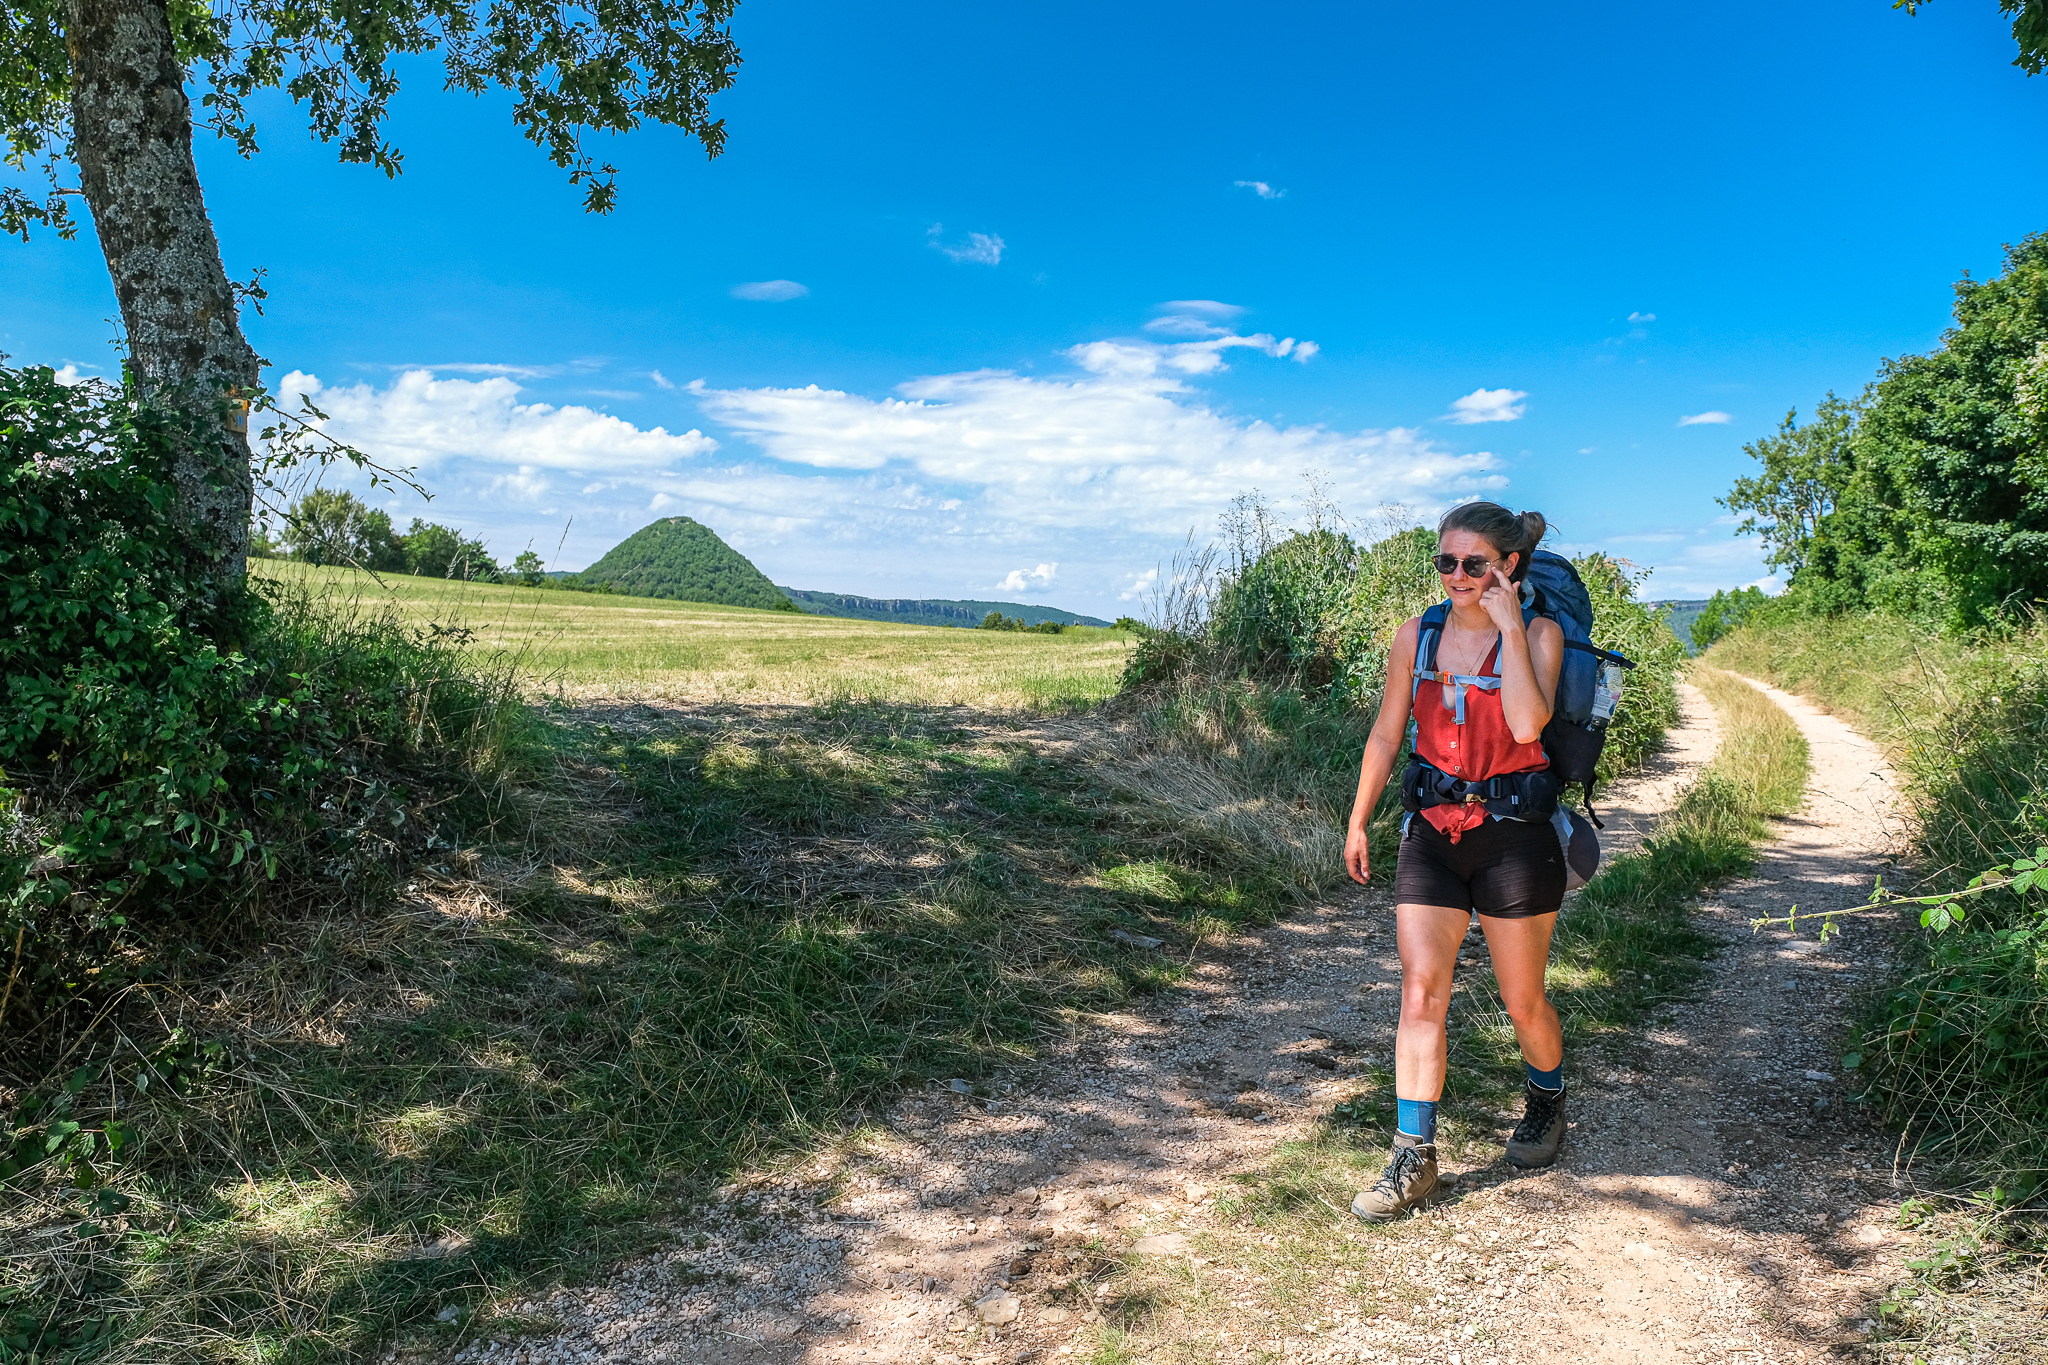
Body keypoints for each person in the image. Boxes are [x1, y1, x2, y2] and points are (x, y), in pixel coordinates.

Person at [1342, 501, 1570, 1221]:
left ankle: (1546, 1100)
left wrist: (1507, 627)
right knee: (1420, 991)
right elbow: (1386, 733)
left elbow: (1529, 723)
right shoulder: (1418, 634)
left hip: (1514, 838)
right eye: (1447, 562)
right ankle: (1415, 1158)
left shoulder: (1540, 633)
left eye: (1475, 563)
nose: (1458, 575)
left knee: (1523, 999)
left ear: (1509, 566)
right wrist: (1358, 819)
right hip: (1432, 832)